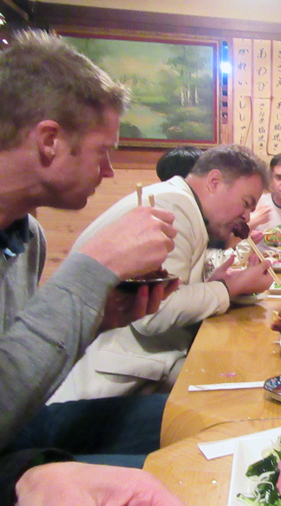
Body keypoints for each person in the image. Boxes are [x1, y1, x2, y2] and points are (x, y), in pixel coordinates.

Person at [0, 30, 186, 505]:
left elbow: (20, 371)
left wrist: (97, 319)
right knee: (190, 480)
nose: (108, 171)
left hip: (23, 424)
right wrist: (91, 268)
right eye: (104, 151)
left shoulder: (27, 235)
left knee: (199, 419)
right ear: (49, 140)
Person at [49, 144, 274, 402]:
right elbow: (153, 314)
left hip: (139, 365)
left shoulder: (183, 203)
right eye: (246, 204)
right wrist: (229, 288)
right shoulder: (174, 206)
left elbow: (172, 290)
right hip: (107, 383)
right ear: (214, 181)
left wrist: (218, 283)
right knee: (241, 393)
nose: (247, 216)